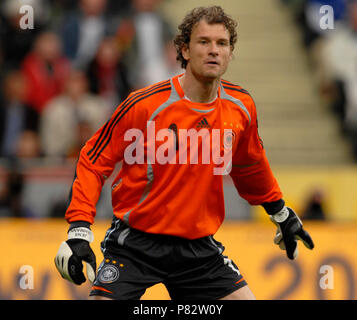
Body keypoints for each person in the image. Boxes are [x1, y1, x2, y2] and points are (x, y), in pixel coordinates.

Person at [54, 6, 314, 300]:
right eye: (204, 42)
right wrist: (78, 230)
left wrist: (279, 211)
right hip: (135, 245)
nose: (214, 50)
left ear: (231, 53)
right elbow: (92, 161)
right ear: (184, 50)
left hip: (199, 250)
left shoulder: (241, 107)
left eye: (222, 43)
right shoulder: (144, 106)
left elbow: (250, 164)